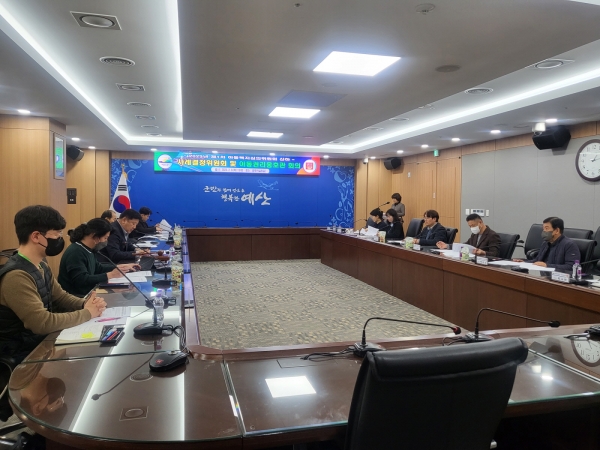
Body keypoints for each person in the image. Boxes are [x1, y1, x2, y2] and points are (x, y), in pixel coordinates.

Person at [0, 206, 107, 363]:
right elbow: (42, 323)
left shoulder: (41, 264)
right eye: (57, 234)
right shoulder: (16, 276)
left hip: (40, 343)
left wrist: (85, 304)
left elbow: (60, 296)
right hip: (22, 355)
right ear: (36, 236)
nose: (60, 239)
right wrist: (87, 313)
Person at [58, 219, 139, 297]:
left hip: (88, 293)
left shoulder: (88, 249)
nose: (106, 241)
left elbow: (98, 267)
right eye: (105, 238)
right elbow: (81, 280)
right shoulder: (76, 252)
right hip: (76, 298)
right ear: (95, 236)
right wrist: (110, 275)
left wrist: (119, 267)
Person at [513, 217, 580, 271]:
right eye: (543, 228)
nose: (544, 231)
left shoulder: (569, 245)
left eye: (546, 228)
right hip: (544, 275)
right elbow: (537, 261)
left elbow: (571, 267)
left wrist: (547, 265)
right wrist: (524, 262)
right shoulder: (546, 243)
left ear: (557, 231)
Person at [436, 213, 501, 257]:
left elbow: (495, 254)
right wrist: (447, 246)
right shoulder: (474, 234)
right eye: (470, 226)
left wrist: (484, 252)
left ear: (480, 222)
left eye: (473, 225)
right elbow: (465, 245)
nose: (472, 228)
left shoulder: (492, 235)